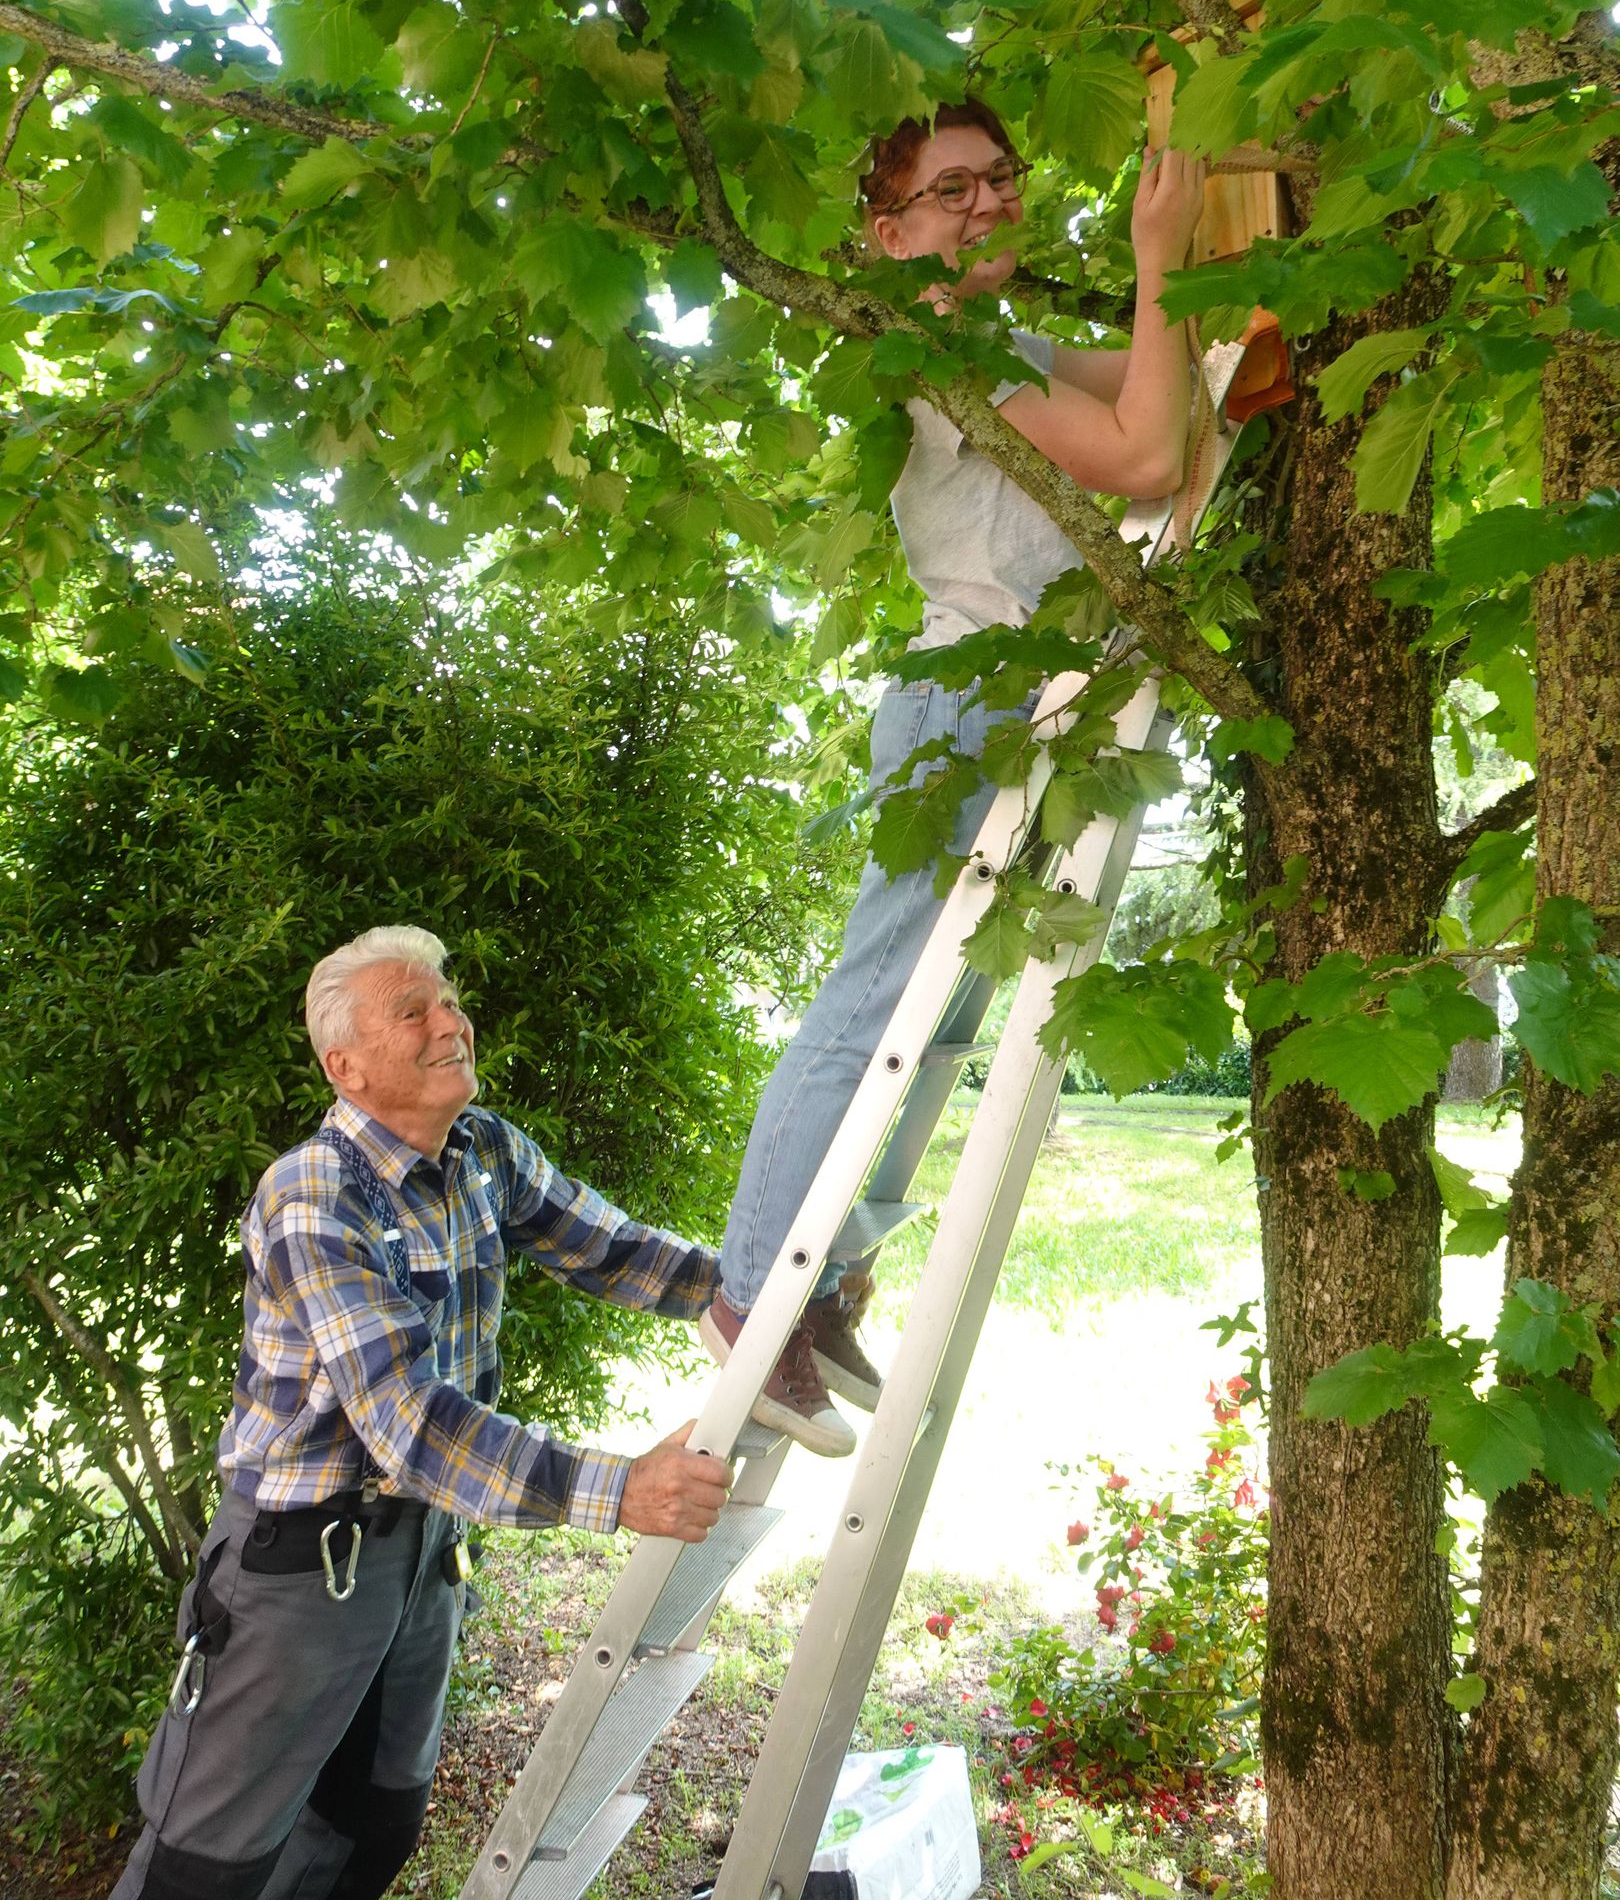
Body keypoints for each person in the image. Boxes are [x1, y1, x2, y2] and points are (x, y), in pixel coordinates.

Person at [701, 98, 1207, 1455]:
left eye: (1006, 182)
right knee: (881, 1004)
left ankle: (822, 1274)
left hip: (1023, 713)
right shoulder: (935, 345)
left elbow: (1171, 379)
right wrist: (1161, 253)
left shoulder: (1012, 346)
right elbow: (1152, 456)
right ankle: (752, 1294)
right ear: (887, 234)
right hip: (959, 713)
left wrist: (1218, 281)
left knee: (939, 1029)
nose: (992, 203)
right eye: (955, 188)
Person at [113, 923, 732, 1900]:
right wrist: (621, 1492)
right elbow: (406, 1418)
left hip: (419, 1556)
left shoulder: (479, 1149)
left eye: (448, 999)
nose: (452, 1020)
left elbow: (609, 1250)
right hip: (296, 1569)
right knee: (208, 1866)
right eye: (416, 1011)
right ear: (346, 1065)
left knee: (370, 1832)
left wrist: (752, 1294)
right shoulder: (313, 1195)